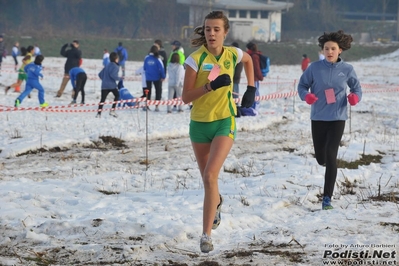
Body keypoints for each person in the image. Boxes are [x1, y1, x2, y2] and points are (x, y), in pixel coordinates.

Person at [182, 10, 256, 253]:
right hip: (199, 125)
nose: (211, 33)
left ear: (225, 32)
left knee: (211, 176)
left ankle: (206, 236)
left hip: (225, 121)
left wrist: (251, 88)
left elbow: (248, 60)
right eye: (207, 29)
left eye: (216, 29)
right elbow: (185, 97)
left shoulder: (232, 54)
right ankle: (218, 201)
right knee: (208, 180)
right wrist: (209, 86)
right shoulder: (196, 59)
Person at [297, 30, 362, 210]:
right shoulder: (314, 68)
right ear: (323, 50)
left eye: (333, 49)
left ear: (340, 50)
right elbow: (302, 86)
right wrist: (306, 96)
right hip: (318, 117)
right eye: (326, 49)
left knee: (331, 155)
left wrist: (355, 98)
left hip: (337, 117)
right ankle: (326, 162)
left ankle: (327, 198)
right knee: (320, 157)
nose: (329, 52)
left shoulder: (347, 69)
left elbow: (357, 89)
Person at [96, 52, 120, 118]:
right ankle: (112, 110)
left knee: (102, 99)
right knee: (117, 95)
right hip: (112, 85)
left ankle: (98, 113)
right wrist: (119, 79)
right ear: (116, 59)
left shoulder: (107, 65)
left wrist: (105, 79)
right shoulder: (116, 66)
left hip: (104, 85)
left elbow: (100, 74)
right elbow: (113, 75)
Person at [143, 45, 165, 112]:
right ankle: (157, 106)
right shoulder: (158, 58)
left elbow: (144, 67)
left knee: (148, 92)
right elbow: (161, 68)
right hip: (156, 77)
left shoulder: (146, 58)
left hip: (148, 77)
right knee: (158, 92)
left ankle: (146, 105)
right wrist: (163, 76)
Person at [246, 42, 264, 110]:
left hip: (255, 78)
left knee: (255, 92)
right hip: (252, 77)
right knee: (254, 92)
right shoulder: (252, 55)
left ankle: (256, 106)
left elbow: (256, 68)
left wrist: (260, 76)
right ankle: (254, 106)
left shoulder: (253, 56)